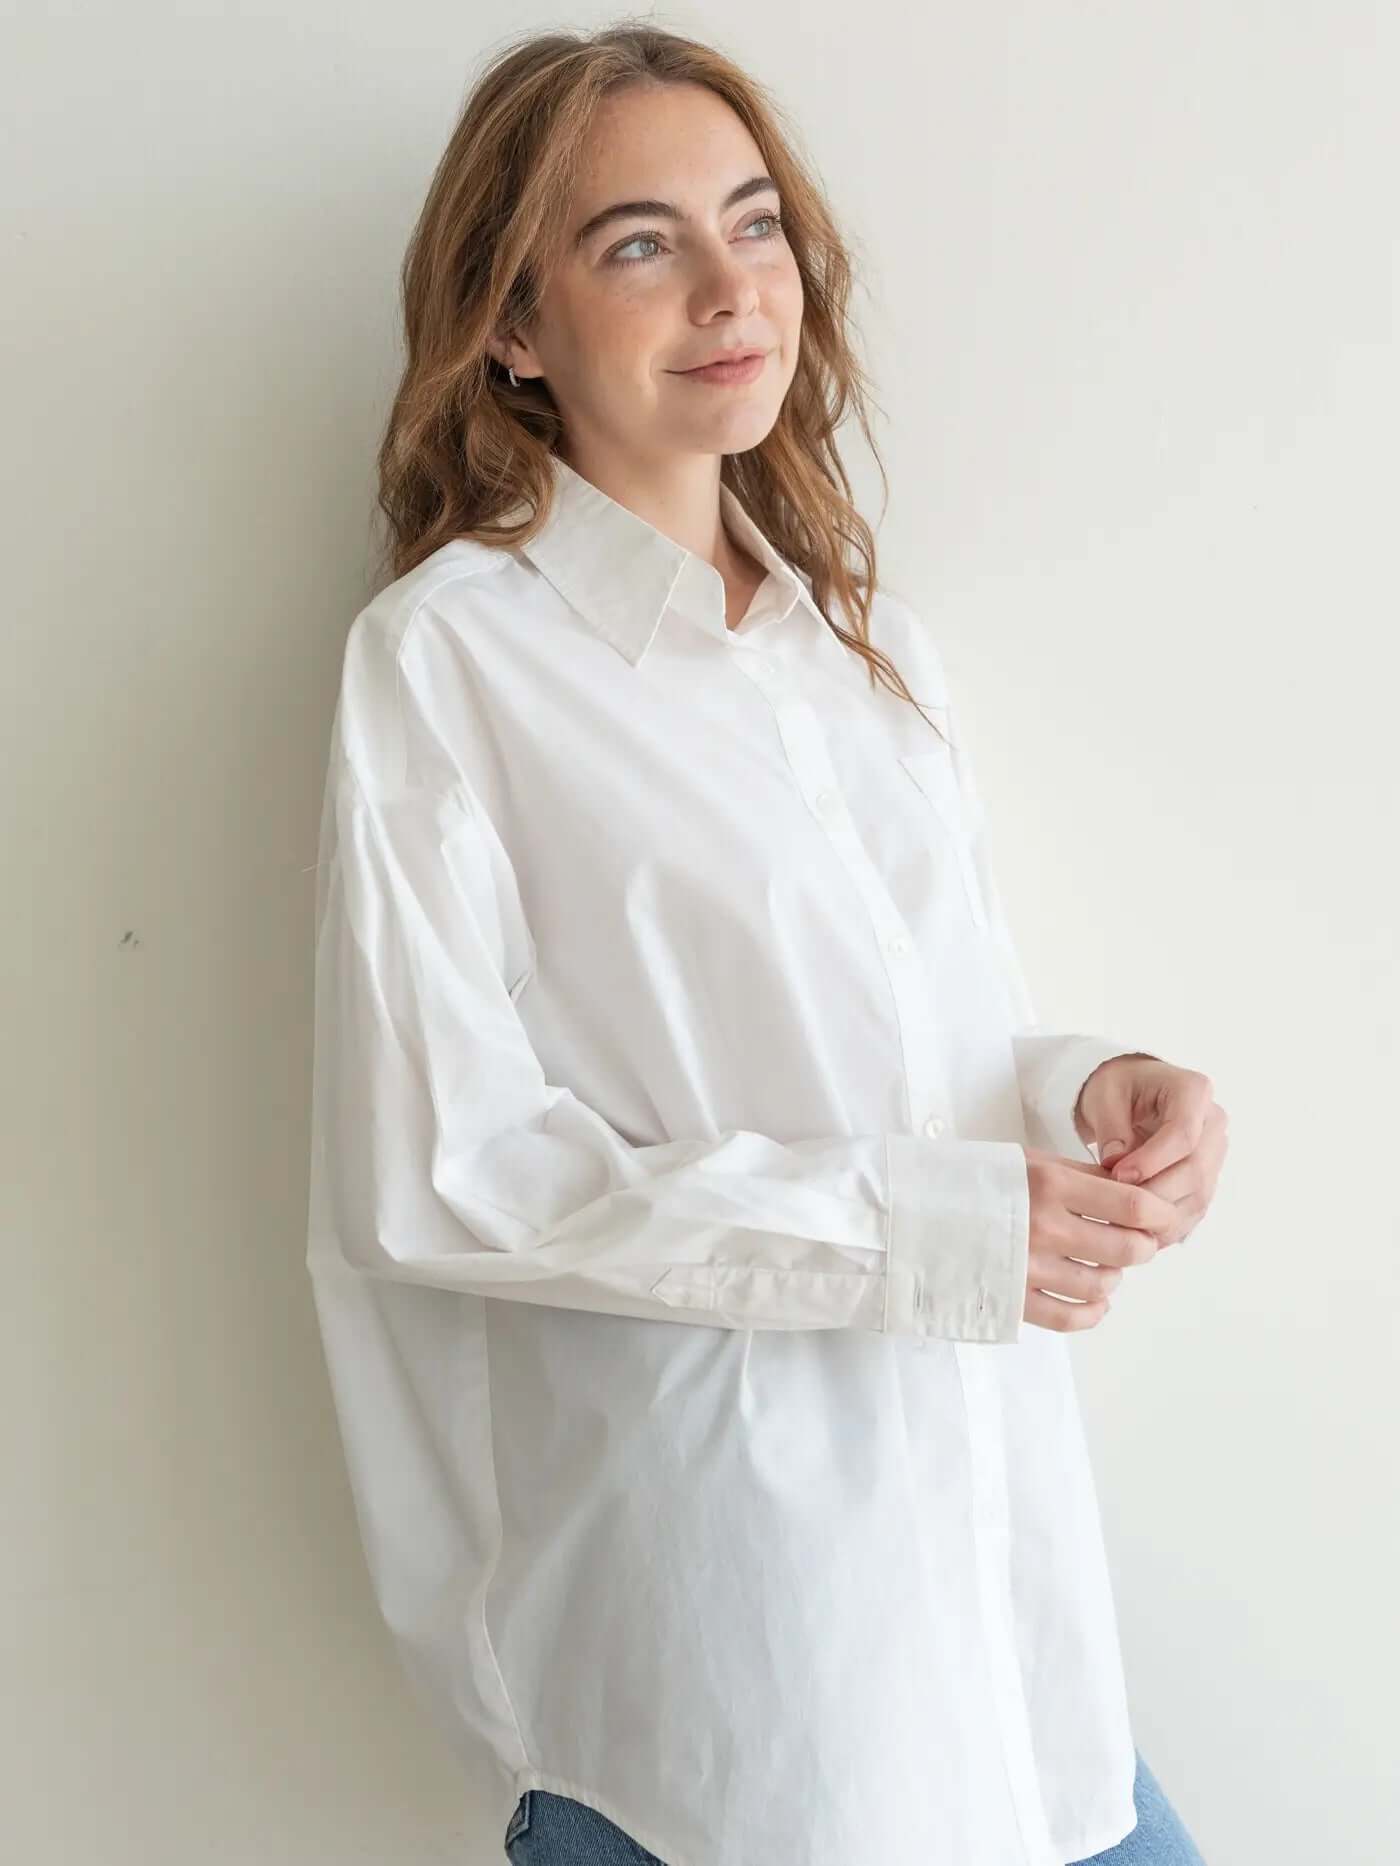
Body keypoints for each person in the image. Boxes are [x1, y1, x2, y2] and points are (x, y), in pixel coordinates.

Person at [305, 22, 1227, 1866]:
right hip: (747, 1693)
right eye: (639, 242)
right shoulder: (450, 662)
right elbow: (450, 1173)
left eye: (753, 222)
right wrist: (924, 1228)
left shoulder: (866, 649)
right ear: (514, 324)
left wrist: (1085, 1093)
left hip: (1008, 1643)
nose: (733, 289)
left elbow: (921, 1042)